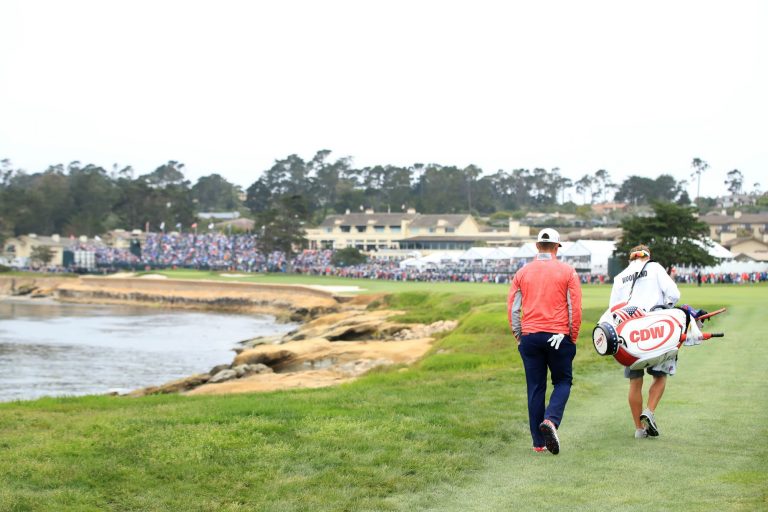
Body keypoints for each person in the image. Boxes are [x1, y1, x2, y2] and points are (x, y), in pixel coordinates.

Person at [508, 228, 582, 455]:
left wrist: (519, 335)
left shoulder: (522, 272)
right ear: (556, 247)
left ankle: (538, 443)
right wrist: (573, 335)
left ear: (537, 246)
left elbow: (513, 308)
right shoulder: (568, 271)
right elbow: (574, 307)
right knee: (562, 382)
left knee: (535, 388)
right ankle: (551, 420)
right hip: (558, 335)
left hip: (530, 336)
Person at [603, 244, 680, 439]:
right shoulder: (654, 268)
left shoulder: (620, 277)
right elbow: (674, 294)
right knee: (660, 376)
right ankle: (650, 411)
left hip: (630, 335)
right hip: (657, 330)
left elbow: (614, 309)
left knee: (635, 382)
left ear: (631, 258)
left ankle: (639, 429)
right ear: (647, 256)